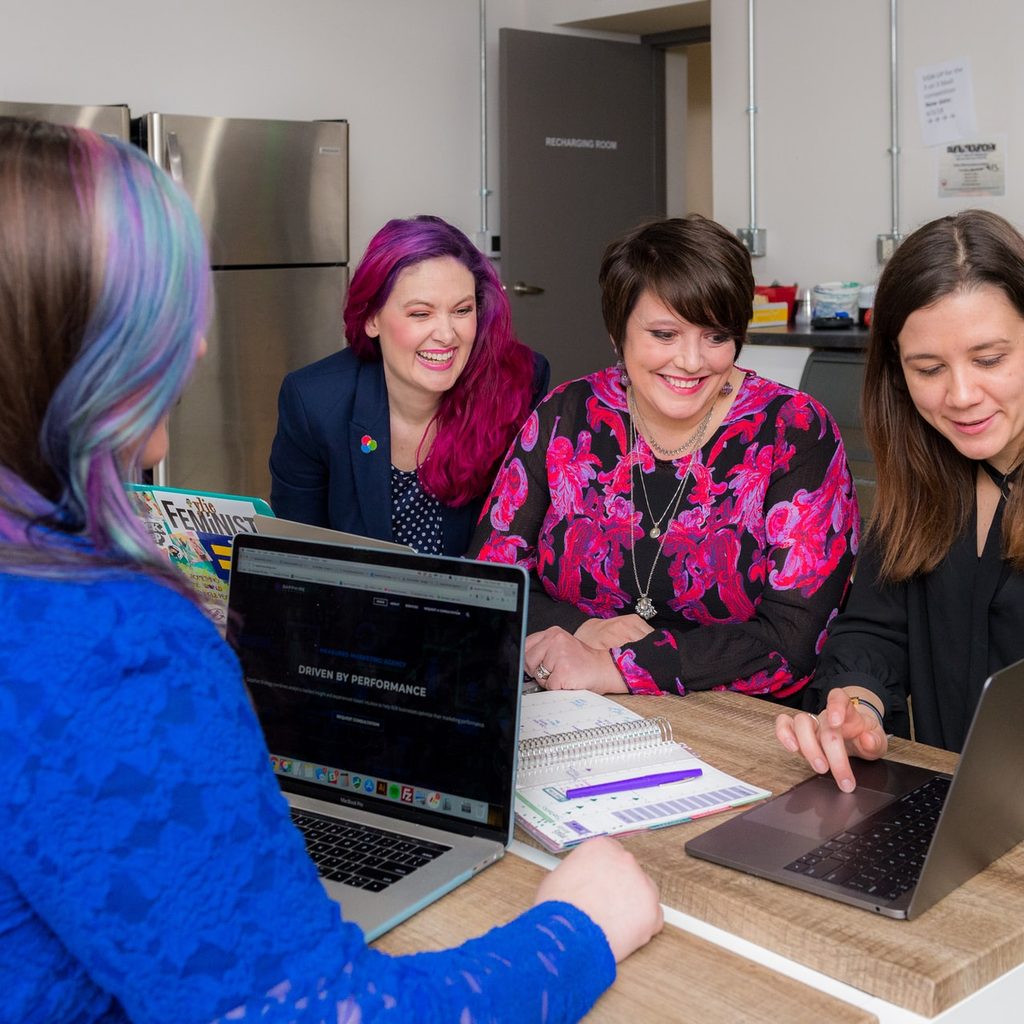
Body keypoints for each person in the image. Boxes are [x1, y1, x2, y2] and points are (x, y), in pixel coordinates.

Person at [0, 117, 662, 1023]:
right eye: (169, 316)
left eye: (463, 310)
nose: (194, 350)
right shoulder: (114, 642)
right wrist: (576, 925)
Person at [471, 216, 859, 701]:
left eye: (715, 336)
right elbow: (489, 583)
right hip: (574, 711)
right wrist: (584, 628)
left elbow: (795, 640)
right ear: (618, 334)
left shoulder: (794, 431)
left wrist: (619, 668)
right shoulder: (566, 415)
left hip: (740, 727)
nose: (692, 362)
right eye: (664, 334)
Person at [776, 208, 1024, 791]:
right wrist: (857, 705)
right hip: (953, 816)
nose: (961, 396)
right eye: (929, 368)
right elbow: (874, 629)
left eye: (990, 360)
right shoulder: (928, 478)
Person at [269, 215, 549, 555]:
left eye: (461, 310)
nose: (447, 335)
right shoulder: (314, 401)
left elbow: (531, 543)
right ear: (372, 318)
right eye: (421, 314)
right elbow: (295, 556)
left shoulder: (518, 381)